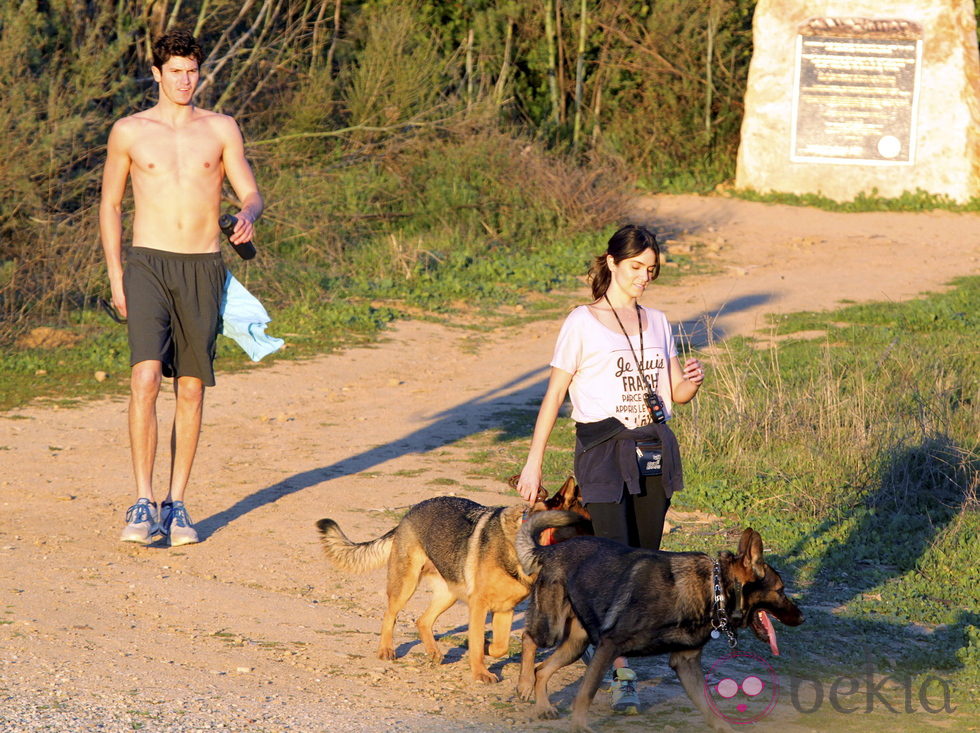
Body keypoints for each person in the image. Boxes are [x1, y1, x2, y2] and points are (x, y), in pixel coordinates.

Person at [515, 223, 705, 713]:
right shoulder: (581, 321)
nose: (644, 277)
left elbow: (671, 396)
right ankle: (617, 674)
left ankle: (614, 663)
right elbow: (555, 396)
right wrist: (533, 463)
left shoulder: (660, 321)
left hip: (653, 449)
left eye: (652, 270)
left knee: (644, 565)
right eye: (637, 267)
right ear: (614, 263)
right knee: (611, 565)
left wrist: (691, 384)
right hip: (602, 453)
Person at [100, 29, 264, 546]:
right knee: (145, 378)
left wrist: (249, 215)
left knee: (189, 388)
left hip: (203, 268)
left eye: (192, 70)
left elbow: (251, 190)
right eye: (175, 71)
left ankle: (176, 505)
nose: (184, 80)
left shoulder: (221, 129)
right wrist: (115, 277)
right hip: (147, 265)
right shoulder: (129, 131)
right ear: (156, 73)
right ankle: (143, 502)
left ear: (200, 71)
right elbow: (109, 206)